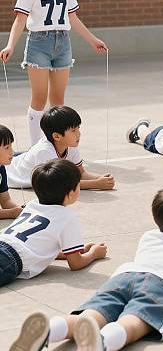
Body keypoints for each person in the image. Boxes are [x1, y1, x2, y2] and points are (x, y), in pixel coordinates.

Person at [10, 184, 163, 351]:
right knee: (135, 322)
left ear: (156, 218)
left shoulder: (148, 236)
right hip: (161, 286)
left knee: (92, 315)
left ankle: (50, 329)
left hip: (124, 276)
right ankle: (103, 342)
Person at [0, 0, 107, 146]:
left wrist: (92, 39)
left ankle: (54, 145)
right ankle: (35, 147)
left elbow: (72, 18)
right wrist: (10, 44)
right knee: (39, 99)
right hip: (39, 43)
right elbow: (20, 20)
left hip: (63, 43)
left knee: (58, 101)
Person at [0, 158, 107, 288]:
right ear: (71, 193)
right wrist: (93, 254)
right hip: (9, 258)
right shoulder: (67, 217)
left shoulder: (32, 204)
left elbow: (39, 246)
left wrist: (77, 250)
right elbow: (76, 264)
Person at [6, 106, 115, 190]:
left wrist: (101, 178)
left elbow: (81, 173)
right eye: (73, 130)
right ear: (57, 136)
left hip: (22, 158)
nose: (79, 134)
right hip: (8, 170)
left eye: (78, 128)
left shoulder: (70, 145)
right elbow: (59, 184)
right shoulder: (44, 152)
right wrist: (96, 184)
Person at [0, 125, 23, 219]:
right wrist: (11, 213)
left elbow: (5, 201)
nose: (12, 152)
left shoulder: (1, 169)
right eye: (6, 147)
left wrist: (21, 210)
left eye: (11, 146)